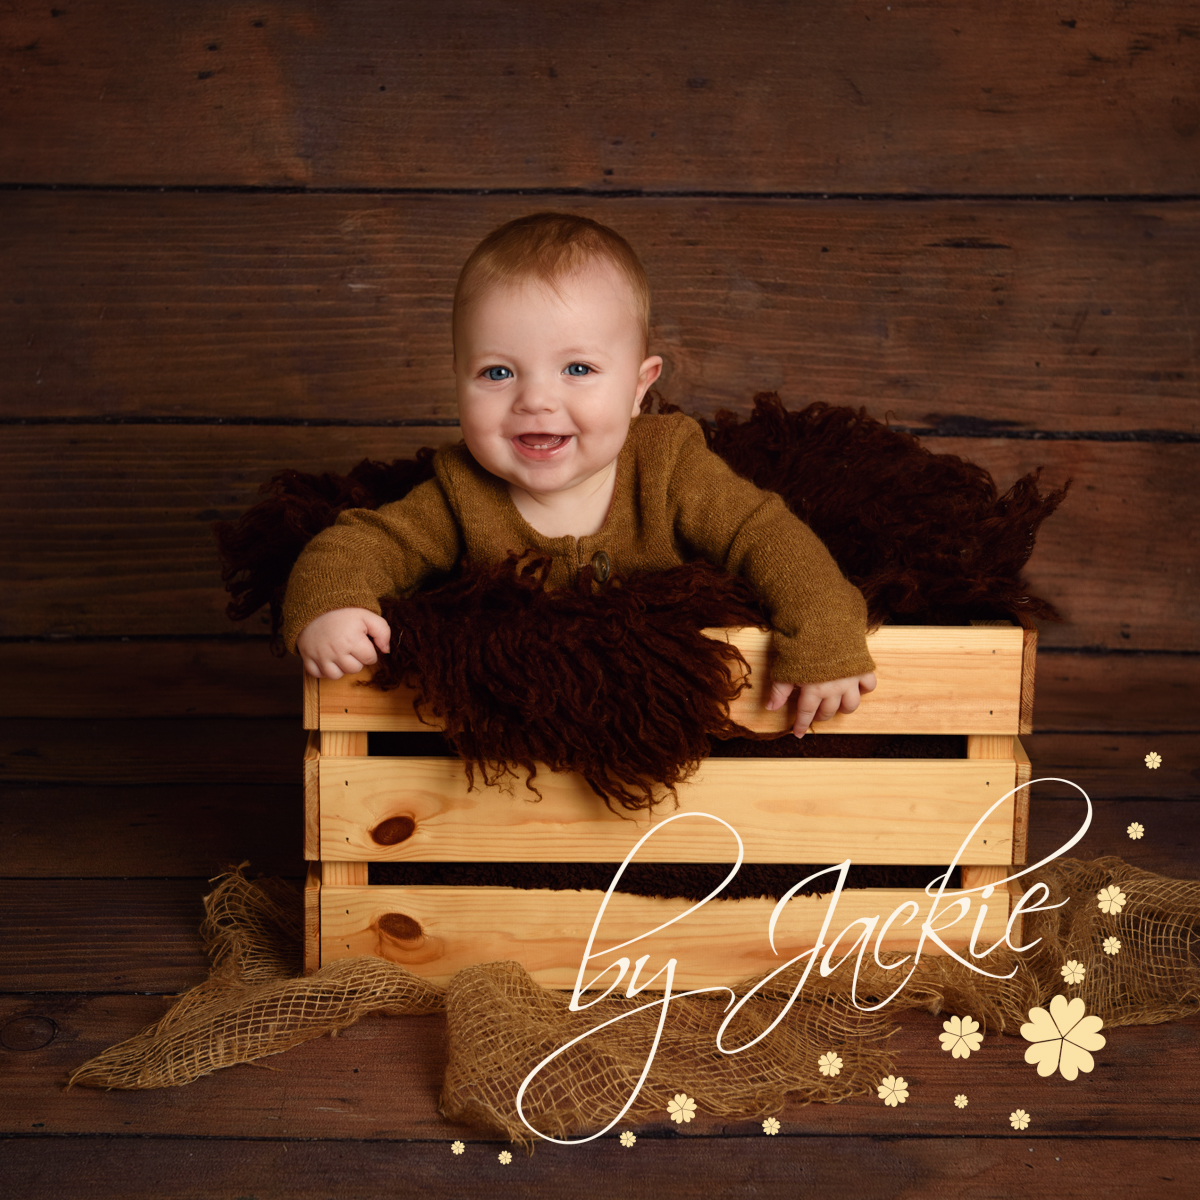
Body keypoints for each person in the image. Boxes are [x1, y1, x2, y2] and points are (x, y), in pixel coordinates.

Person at [283, 212, 876, 737]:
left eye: (577, 368)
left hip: (683, 731)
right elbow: (361, 543)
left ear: (640, 386)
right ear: (457, 380)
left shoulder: (668, 462)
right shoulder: (461, 489)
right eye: (496, 374)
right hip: (517, 742)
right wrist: (330, 605)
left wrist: (823, 629)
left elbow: (764, 536)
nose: (536, 400)